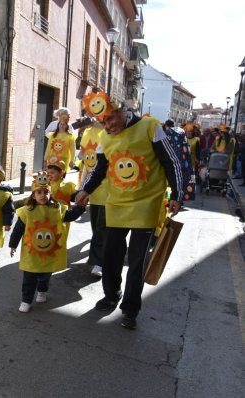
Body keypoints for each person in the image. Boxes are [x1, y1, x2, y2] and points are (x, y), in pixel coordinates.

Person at [76, 91, 183, 330]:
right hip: (116, 204)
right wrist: (84, 190)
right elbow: (99, 170)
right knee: (111, 255)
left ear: (123, 111)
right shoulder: (105, 138)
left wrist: (177, 193)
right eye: (103, 122)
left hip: (146, 204)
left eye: (111, 118)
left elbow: (171, 161)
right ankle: (112, 294)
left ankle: (130, 309)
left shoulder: (149, 126)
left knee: (136, 261)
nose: (108, 125)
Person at [9, 172, 85, 312]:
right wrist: (13, 244)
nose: (43, 195)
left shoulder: (57, 210)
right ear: (33, 195)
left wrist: (80, 207)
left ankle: (42, 291)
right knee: (29, 278)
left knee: (45, 276)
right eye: (39, 192)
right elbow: (18, 229)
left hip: (48, 253)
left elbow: (70, 216)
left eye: (45, 192)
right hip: (31, 254)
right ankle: (26, 300)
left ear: (50, 194)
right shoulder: (26, 212)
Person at [78, 120, 109, 277]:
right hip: (94, 189)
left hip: (111, 191)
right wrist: (83, 187)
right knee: (95, 226)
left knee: (102, 229)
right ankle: (98, 256)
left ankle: (99, 262)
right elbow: (87, 163)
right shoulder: (87, 134)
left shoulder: (112, 134)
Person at [44, 107, 77, 171]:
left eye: (69, 116)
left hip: (65, 154)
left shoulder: (69, 126)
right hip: (53, 153)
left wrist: (72, 160)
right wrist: (56, 134)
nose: (68, 118)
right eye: (67, 115)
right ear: (60, 115)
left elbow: (72, 141)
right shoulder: (53, 124)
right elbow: (47, 134)